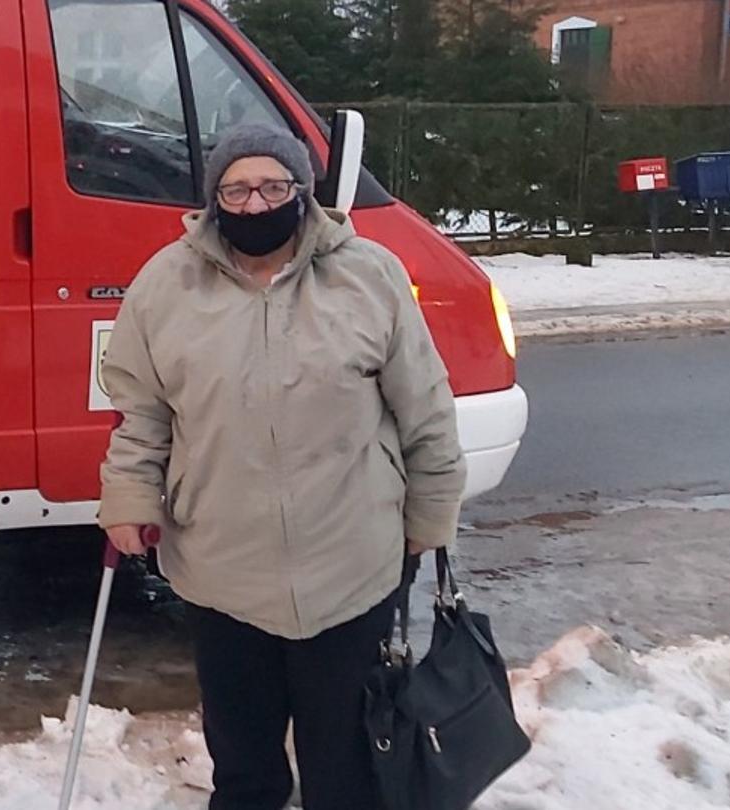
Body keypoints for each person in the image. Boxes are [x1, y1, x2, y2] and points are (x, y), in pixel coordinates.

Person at [97, 122, 465, 810]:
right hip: (221, 570)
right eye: (236, 190)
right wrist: (127, 495)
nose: (255, 204)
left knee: (347, 771)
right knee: (244, 773)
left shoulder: (369, 275)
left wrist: (432, 512)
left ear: (303, 193)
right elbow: (139, 410)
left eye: (272, 186)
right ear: (213, 200)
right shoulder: (164, 285)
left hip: (350, 566)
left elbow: (427, 407)